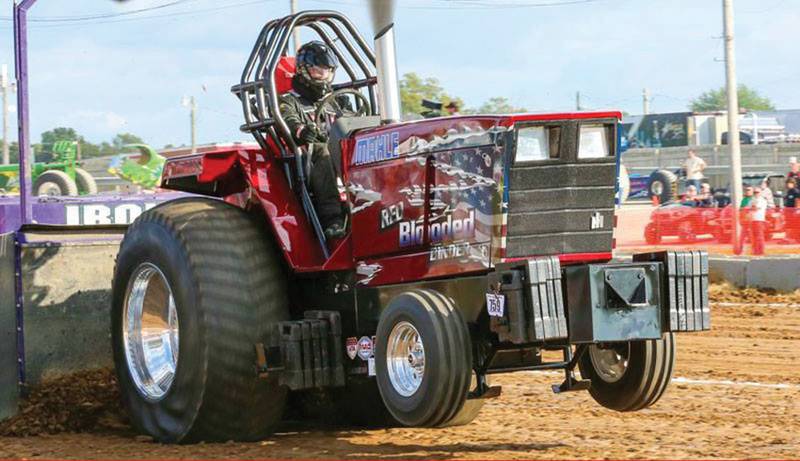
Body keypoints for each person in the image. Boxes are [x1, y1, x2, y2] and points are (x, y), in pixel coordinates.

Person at [278, 41, 347, 238]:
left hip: (339, 154)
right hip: (307, 163)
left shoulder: (339, 100)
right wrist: (302, 131)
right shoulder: (288, 100)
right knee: (319, 149)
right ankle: (332, 220)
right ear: (303, 70)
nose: (324, 75)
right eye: (319, 70)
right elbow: (289, 121)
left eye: (328, 70)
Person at [749, 187, 767, 256]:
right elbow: (751, 208)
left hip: (759, 219)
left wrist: (753, 207)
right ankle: (755, 250)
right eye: (755, 192)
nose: (756, 194)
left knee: (759, 236)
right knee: (753, 236)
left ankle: (761, 251)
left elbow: (756, 208)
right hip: (753, 220)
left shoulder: (762, 200)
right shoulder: (752, 200)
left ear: (760, 193)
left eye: (757, 192)